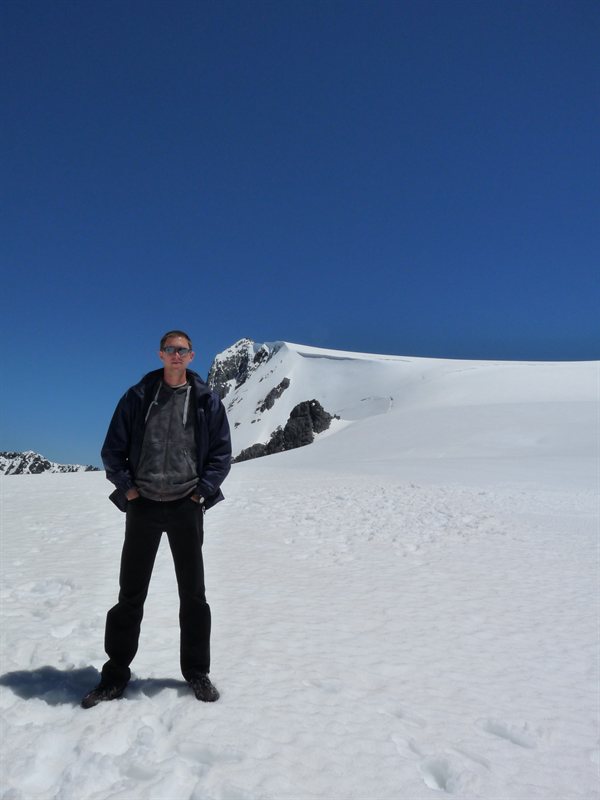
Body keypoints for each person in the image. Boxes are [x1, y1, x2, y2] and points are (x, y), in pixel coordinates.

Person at [82, 330, 231, 708]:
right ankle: (114, 675)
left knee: (193, 594)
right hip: (144, 505)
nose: (176, 355)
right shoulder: (137, 397)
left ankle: (197, 672)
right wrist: (129, 489)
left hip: (186, 505)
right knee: (130, 594)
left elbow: (221, 454)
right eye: (170, 349)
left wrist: (201, 492)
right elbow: (112, 449)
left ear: (192, 356)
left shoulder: (206, 401)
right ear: (160, 354)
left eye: (182, 350)